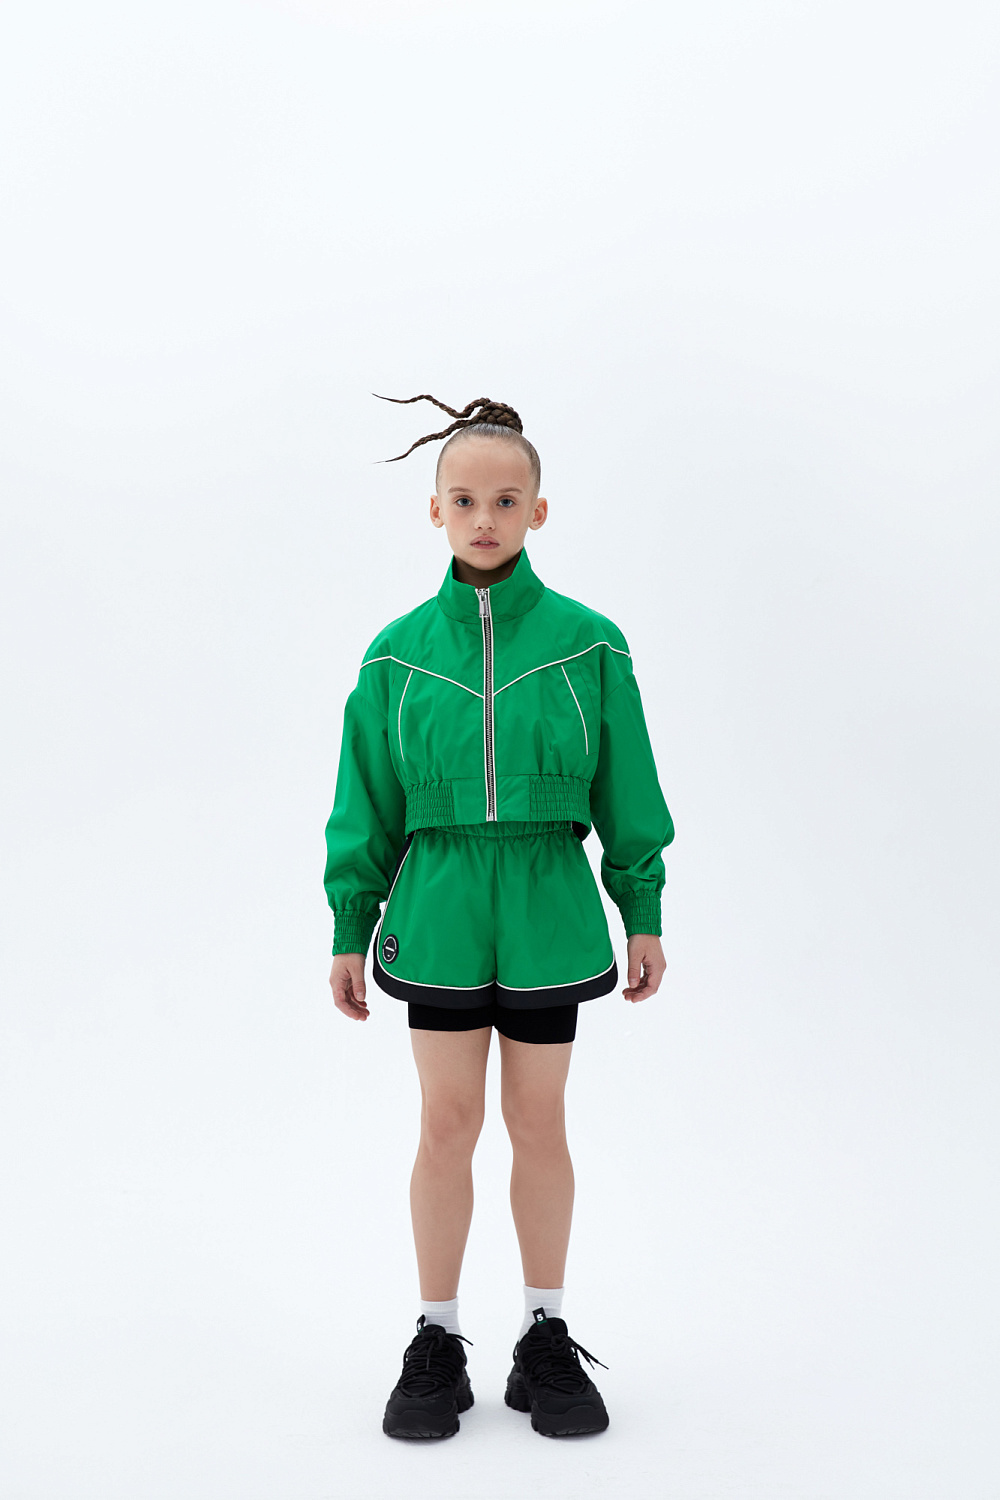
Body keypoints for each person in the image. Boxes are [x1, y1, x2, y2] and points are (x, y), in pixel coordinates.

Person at [324, 394, 674, 1439]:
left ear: (538, 511)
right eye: (466, 499)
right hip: (437, 904)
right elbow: (364, 802)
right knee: (446, 1123)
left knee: (537, 1120)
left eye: (507, 500)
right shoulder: (393, 654)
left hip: (546, 902)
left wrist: (642, 907)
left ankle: (544, 1334)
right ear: (435, 510)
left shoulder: (590, 645)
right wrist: (350, 924)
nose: (486, 517)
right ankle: (435, 1338)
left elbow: (628, 786)